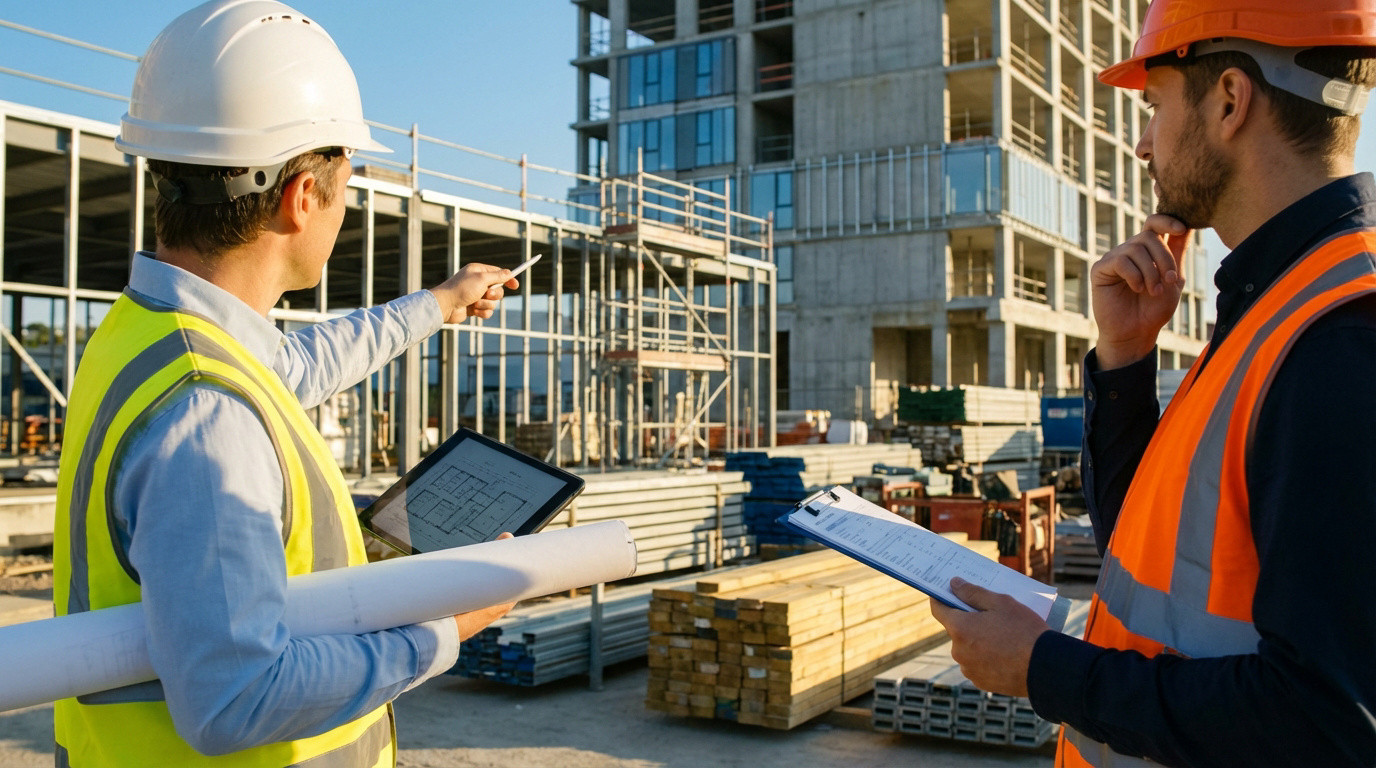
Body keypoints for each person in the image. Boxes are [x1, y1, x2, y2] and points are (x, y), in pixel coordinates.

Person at [52, 1, 520, 764]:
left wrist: (441, 303)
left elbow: (300, 365)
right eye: (346, 186)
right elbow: (235, 697)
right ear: (304, 197)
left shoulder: (152, 333)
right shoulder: (207, 413)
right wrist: (443, 630)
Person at [929, 1, 1376, 765]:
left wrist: (1047, 669)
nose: (1140, 143)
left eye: (1154, 106)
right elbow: (1149, 546)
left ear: (1230, 101)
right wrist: (1126, 359)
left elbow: (1324, 721)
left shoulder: (1341, 338)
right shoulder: (1276, 305)